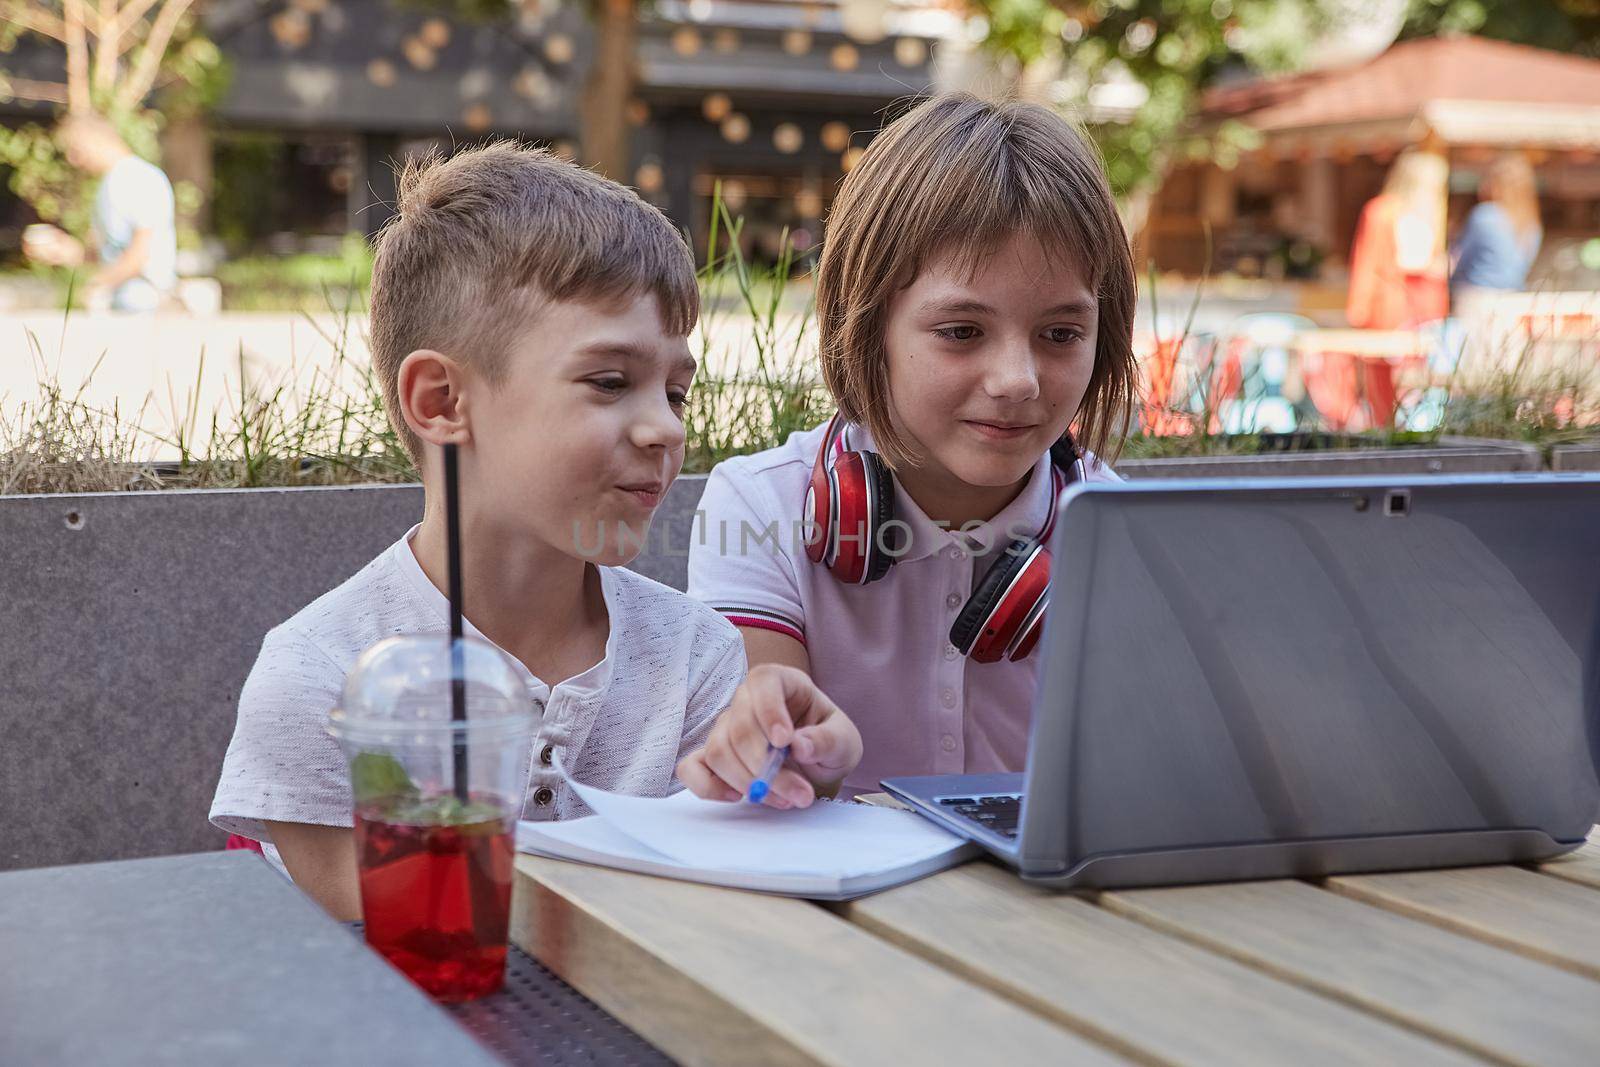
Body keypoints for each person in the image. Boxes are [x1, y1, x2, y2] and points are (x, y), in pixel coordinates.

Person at [209, 142, 854, 920]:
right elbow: (407, 934)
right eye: (610, 381)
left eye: (677, 394)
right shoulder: (320, 676)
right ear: (442, 400)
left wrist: (790, 770)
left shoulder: (695, 652)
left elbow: (730, 891)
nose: (663, 430)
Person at [676, 93, 1136, 801]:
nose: (1017, 381)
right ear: (866, 325)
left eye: (1060, 334)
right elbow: (766, 762)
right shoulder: (759, 505)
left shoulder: (1128, 534)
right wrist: (788, 750)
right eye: (961, 331)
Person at [21, 111, 178, 312]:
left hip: (144, 303)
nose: (72, 159)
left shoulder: (140, 178)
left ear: (97, 138)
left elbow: (141, 254)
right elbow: (109, 254)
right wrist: (67, 251)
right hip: (121, 303)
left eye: (76, 149)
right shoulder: (107, 184)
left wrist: (96, 285)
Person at [1345, 148, 1450, 330]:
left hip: (1426, 304)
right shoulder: (1382, 213)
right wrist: (1359, 305)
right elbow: (1366, 261)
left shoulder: (1432, 215)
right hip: (1391, 303)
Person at [1451, 153, 1542, 314]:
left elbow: (1460, 259)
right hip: (1513, 302)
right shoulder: (1531, 223)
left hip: (1477, 299)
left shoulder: (1486, 214)